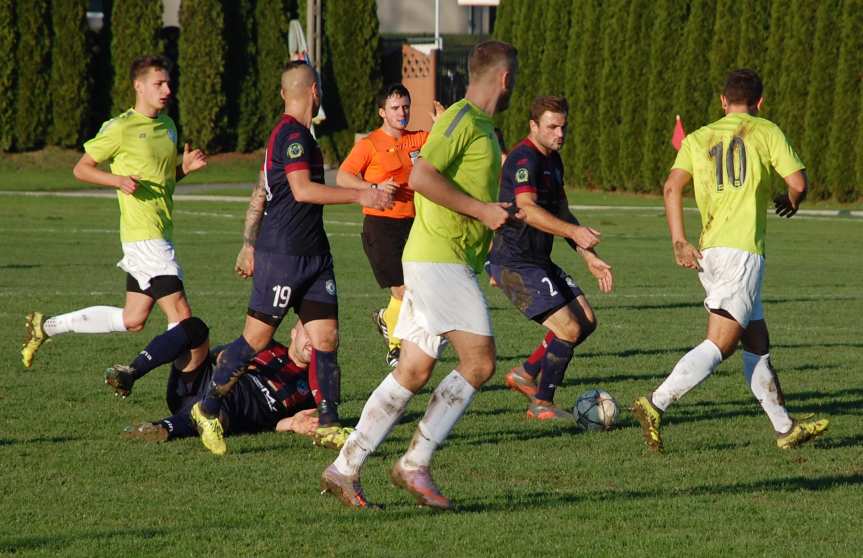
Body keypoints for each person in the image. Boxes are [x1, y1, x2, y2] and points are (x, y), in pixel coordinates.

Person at [321, 40, 519, 510]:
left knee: (412, 369)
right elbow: (421, 177)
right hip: (438, 259)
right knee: (480, 362)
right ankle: (415, 462)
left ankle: (344, 466)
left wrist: (496, 216)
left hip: (439, 258)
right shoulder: (462, 119)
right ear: (505, 79)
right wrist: (482, 211)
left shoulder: (481, 126)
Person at [189, 61, 392, 456]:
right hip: (284, 255)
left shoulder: (301, 135)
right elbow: (301, 190)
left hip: (315, 255)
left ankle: (330, 423)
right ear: (314, 91)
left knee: (326, 338)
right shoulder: (291, 135)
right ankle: (207, 408)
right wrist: (362, 194)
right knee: (257, 339)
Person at [631, 69, 829, 452]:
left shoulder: (698, 137)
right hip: (742, 253)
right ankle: (655, 403)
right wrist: (792, 200)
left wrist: (678, 241)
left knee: (757, 340)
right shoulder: (764, 130)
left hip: (710, 251)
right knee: (721, 344)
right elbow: (799, 182)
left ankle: (785, 428)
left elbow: (672, 186)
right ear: (760, 102)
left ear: (723, 102)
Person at [21, 55, 207, 368]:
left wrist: (183, 168)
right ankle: (180, 393)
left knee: (133, 319)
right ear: (139, 86)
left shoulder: (168, 126)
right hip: (144, 237)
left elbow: (161, 180)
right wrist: (116, 180)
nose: (167, 89)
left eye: (168, 83)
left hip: (160, 232)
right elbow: (81, 169)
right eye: (158, 83)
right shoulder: (121, 127)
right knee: (182, 319)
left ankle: (47, 326)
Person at [487, 96, 613, 422]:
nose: (560, 134)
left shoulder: (553, 161)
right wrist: (574, 232)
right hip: (513, 262)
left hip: (537, 259)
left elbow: (562, 212)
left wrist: (589, 257)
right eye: (552, 127)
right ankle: (542, 403)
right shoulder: (524, 159)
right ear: (533, 126)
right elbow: (526, 209)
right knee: (568, 329)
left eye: (563, 127)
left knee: (586, 321)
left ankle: (526, 373)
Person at [113, 317, 335, 447]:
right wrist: (225, 358)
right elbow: (216, 354)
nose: (313, 342)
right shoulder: (264, 345)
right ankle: (131, 372)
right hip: (199, 385)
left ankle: (161, 427)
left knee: (226, 402)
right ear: (294, 333)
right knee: (195, 328)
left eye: (319, 337)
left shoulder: (315, 386)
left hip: (229, 414)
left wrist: (296, 424)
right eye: (308, 334)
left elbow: (278, 425)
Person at [337, 84, 431, 368]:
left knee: (414, 291)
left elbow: (448, 152)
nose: (402, 113)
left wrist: (443, 127)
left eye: (405, 107)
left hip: (416, 223)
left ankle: (386, 318)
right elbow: (343, 177)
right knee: (402, 290)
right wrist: (373, 186)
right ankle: (395, 348)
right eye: (395, 108)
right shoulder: (369, 144)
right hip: (382, 225)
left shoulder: (421, 139)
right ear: (382, 112)